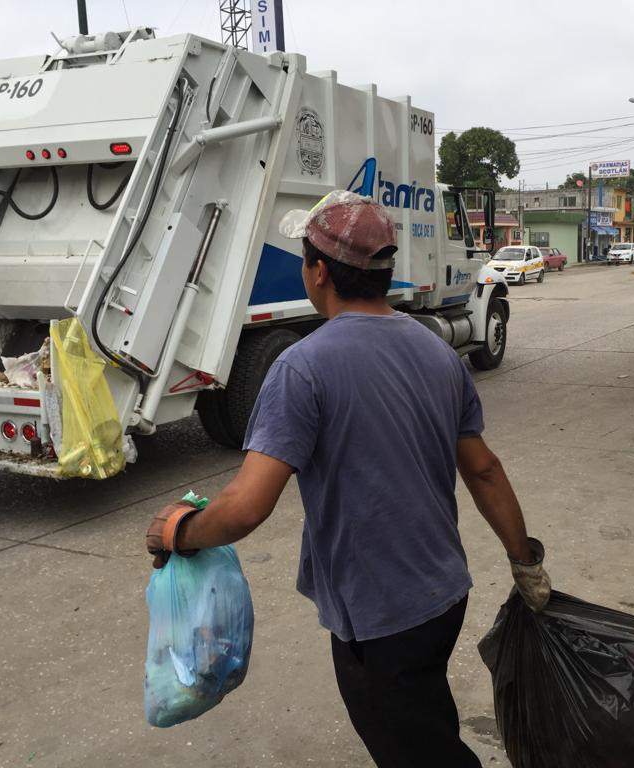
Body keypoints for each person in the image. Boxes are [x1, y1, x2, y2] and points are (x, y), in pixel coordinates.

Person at [145, 190, 550, 768]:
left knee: (418, 752)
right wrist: (524, 560)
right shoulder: (437, 351)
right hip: (443, 595)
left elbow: (247, 505)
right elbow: (483, 468)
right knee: (425, 726)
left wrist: (178, 532)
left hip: (379, 617)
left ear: (318, 272)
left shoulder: (302, 367)